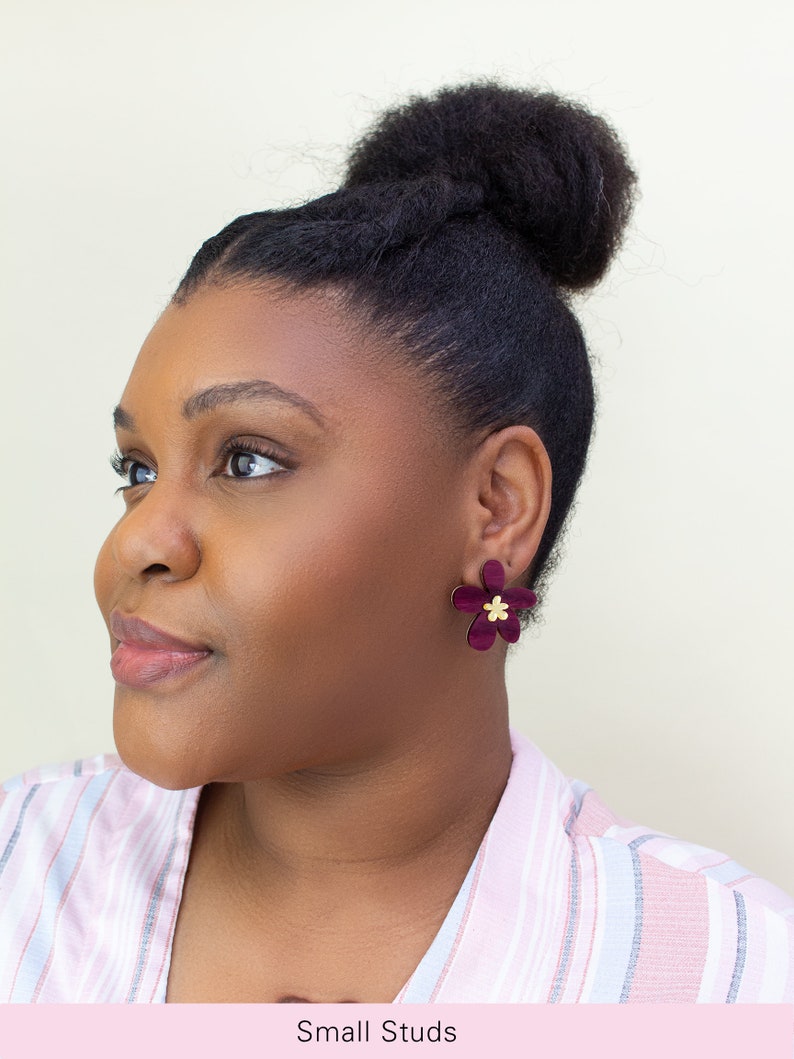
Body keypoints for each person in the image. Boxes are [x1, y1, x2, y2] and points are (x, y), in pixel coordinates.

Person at [0, 82, 791, 1004]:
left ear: (497, 507)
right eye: (135, 469)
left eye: (247, 460)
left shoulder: (727, 981)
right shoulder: (20, 866)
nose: (135, 543)